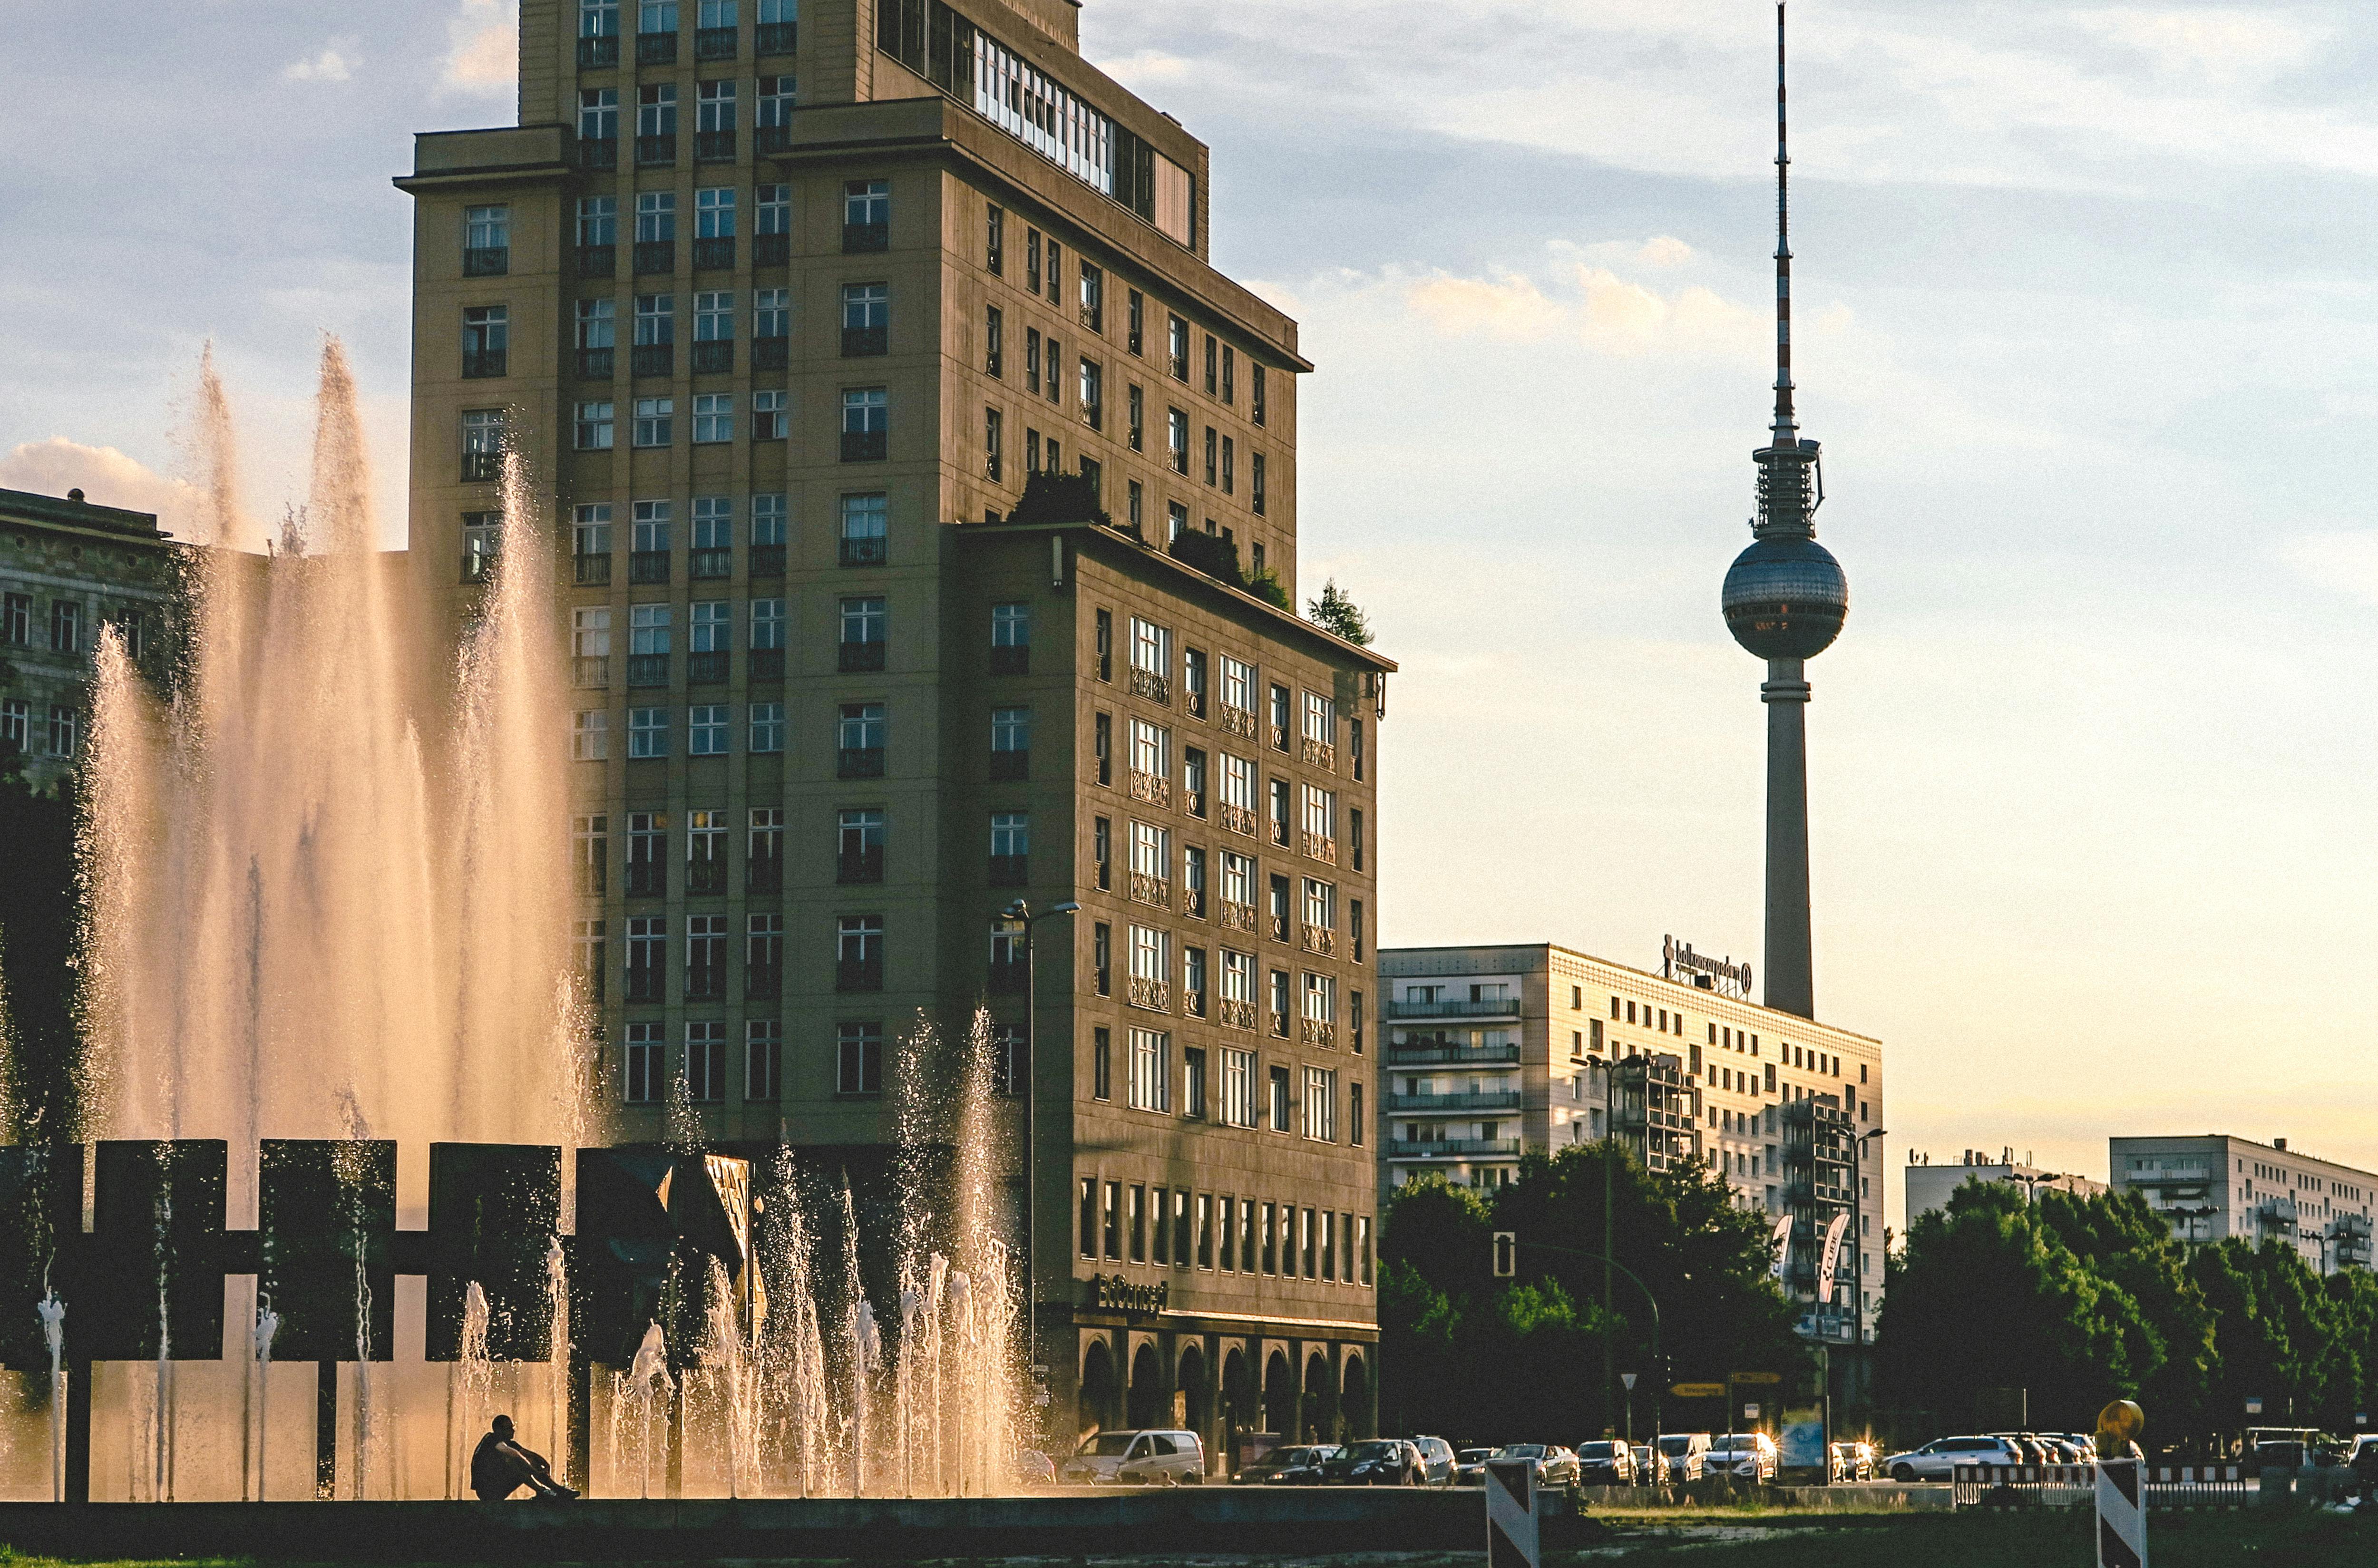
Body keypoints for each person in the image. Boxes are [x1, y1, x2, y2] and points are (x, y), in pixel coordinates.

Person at [470, 1414, 578, 1501]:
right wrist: (534, 1472)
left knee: (530, 1461)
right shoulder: (492, 1438)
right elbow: (513, 1454)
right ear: (498, 1430)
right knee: (516, 1464)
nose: (513, 1431)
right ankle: (543, 1491)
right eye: (508, 1428)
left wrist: (545, 1464)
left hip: (497, 1487)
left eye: (512, 1427)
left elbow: (529, 1455)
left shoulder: (509, 1443)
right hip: (487, 1491)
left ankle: (558, 1490)